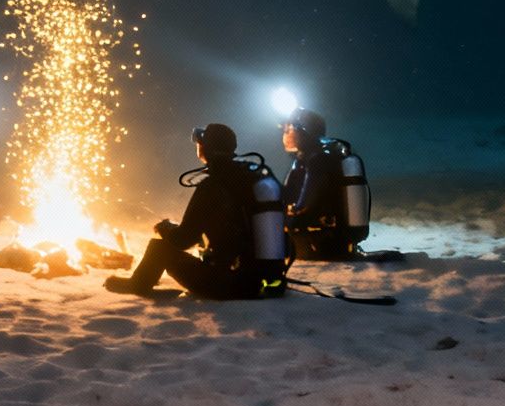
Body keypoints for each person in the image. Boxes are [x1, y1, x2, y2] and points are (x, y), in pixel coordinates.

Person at [103, 123, 285, 300]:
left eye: (200, 144)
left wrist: (164, 228)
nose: (198, 148)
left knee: (159, 249)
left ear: (207, 148)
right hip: (262, 283)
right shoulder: (247, 177)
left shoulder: (212, 185)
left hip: (229, 285)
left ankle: (138, 284)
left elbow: (183, 239)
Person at [280, 108, 354, 261]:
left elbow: (305, 205)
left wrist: (283, 218)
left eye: (289, 129)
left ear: (303, 132)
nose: (285, 134)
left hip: (321, 239)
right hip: (325, 237)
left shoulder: (317, 160)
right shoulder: (308, 159)